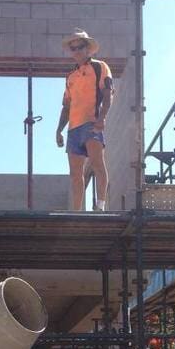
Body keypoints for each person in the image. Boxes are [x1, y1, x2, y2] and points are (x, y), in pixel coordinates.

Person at [56, 28, 113, 211]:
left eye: (80, 47)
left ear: (88, 48)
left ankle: (101, 204)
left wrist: (102, 118)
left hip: (91, 122)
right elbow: (66, 106)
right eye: (73, 48)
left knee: (97, 163)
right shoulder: (70, 77)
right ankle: (76, 211)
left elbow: (108, 93)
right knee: (75, 173)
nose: (77, 51)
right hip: (73, 128)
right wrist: (58, 130)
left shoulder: (99, 66)